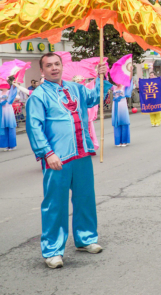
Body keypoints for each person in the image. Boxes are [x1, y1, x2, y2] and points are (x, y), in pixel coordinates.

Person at [26, 53, 109, 269]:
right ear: (42, 71)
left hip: (81, 152)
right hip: (57, 157)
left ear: (62, 66)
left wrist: (101, 78)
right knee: (55, 204)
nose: (54, 68)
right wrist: (47, 153)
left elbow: (93, 99)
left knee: (85, 198)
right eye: (49, 66)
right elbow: (34, 127)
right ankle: (52, 250)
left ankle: (86, 238)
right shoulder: (38, 96)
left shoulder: (76, 88)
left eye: (57, 64)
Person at [112, 81, 132, 147]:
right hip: (115, 106)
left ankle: (124, 141)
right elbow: (105, 82)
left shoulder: (124, 87)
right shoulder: (114, 87)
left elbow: (129, 80)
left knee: (124, 122)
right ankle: (118, 141)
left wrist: (131, 71)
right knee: (116, 123)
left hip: (122, 105)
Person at [0, 83, 17, 151]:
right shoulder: (0, 92)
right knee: (4, 128)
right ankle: (6, 145)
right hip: (2, 110)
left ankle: (12, 145)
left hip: (8, 110)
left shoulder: (9, 91)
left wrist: (14, 85)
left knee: (10, 127)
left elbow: (15, 95)